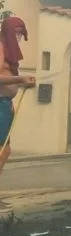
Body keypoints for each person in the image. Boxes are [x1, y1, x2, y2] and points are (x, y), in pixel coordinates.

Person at [0, 16, 36, 156]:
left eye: (21, 33)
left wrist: (22, 82)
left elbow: (8, 77)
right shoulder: (1, 47)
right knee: (3, 149)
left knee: (4, 149)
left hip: (5, 104)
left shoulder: (8, 51)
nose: (19, 36)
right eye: (17, 32)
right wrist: (21, 78)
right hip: (1, 104)